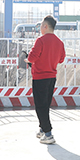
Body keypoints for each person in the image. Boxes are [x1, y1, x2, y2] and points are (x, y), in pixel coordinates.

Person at [28, 15, 66, 145]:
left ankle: (48, 133)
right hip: (51, 77)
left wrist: (28, 58)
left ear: (45, 26)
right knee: (46, 104)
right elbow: (61, 59)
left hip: (40, 77)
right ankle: (42, 129)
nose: (40, 28)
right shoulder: (59, 42)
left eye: (40, 26)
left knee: (40, 106)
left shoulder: (41, 40)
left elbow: (32, 58)